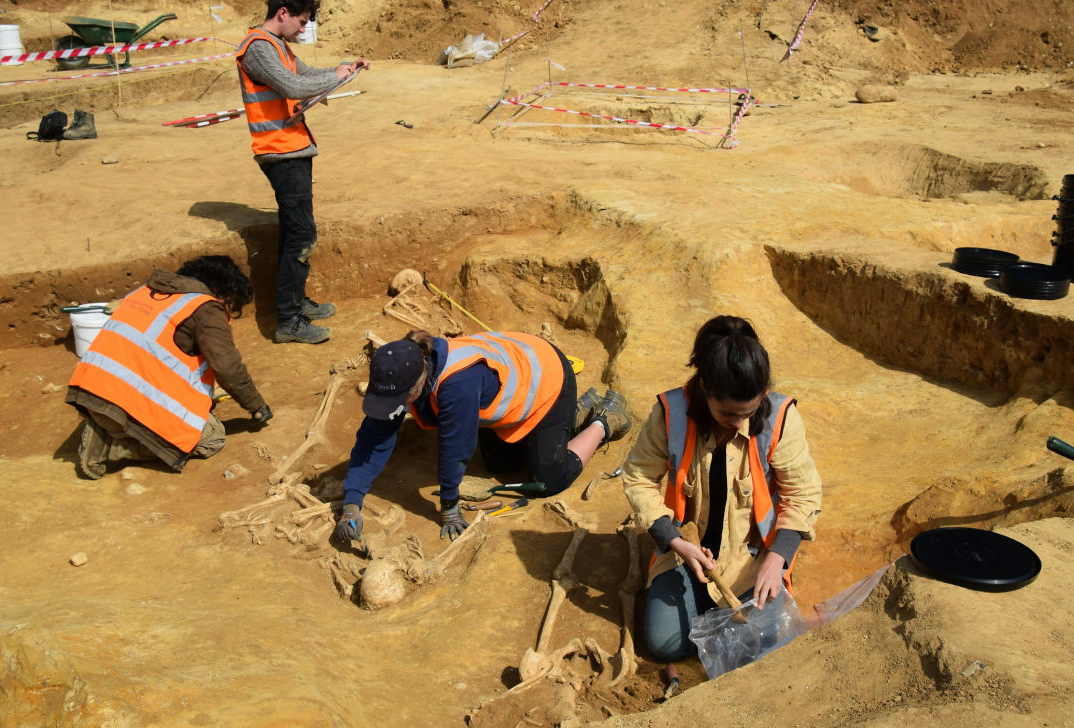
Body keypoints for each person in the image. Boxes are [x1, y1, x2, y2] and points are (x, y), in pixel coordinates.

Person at [621, 315, 822, 662]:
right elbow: (638, 476)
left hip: (752, 558)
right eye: (729, 413)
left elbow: (801, 494)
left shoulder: (780, 419)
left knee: (771, 641)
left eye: (750, 410)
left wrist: (778, 556)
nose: (741, 422)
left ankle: (717, 614)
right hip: (685, 552)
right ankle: (694, 603)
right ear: (704, 389)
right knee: (664, 643)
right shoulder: (671, 414)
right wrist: (674, 541)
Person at [335, 330, 631, 543]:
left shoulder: (457, 386)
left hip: (548, 378)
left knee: (547, 480)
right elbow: (374, 437)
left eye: (401, 398)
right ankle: (574, 415)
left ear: (420, 380)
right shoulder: (402, 366)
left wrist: (449, 508)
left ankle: (604, 420)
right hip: (516, 375)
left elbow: (456, 448)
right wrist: (352, 501)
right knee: (501, 464)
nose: (395, 406)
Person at [235, 0, 371, 345]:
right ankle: (288, 320)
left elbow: (306, 75)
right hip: (280, 153)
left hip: (292, 149)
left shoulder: (277, 46)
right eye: (301, 21)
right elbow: (294, 88)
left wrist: (342, 68)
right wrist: (337, 77)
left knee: (296, 232)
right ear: (283, 13)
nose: (303, 29)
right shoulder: (259, 48)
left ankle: (294, 302)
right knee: (301, 235)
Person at [66, 255, 273, 479]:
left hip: (90, 392)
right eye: (229, 302)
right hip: (121, 404)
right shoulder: (204, 308)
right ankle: (111, 449)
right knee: (210, 438)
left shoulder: (145, 292)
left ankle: (109, 429)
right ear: (219, 290)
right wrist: (256, 406)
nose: (226, 309)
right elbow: (228, 367)